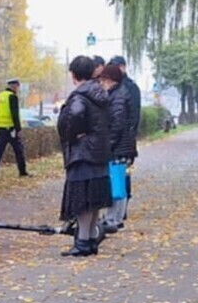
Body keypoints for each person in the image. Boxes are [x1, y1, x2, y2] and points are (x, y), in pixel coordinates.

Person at [57, 56, 112, 257]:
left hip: (83, 152)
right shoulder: (100, 93)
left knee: (82, 200)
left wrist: (71, 135)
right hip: (99, 151)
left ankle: (81, 242)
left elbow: (75, 115)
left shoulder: (79, 95)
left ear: (74, 74)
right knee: (95, 199)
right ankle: (90, 240)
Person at [99, 63, 135, 233]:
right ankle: (115, 218)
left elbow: (117, 123)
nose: (101, 84)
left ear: (110, 80)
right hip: (123, 146)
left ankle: (114, 219)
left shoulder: (118, 96)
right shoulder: (120, 93)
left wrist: (108, 144)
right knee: (118, 181)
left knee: (116, 182)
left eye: (103, 80)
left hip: (119, 147)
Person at [109, 55, 141, 222]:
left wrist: (130, 134)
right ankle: (118, 209)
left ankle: (123, 206)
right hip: (120, 139)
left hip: (125, 140)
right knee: (118, 174)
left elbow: (134, 114)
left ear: (123, 67)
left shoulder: (130, 87)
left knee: (124, 174)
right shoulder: (118, 86)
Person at [0, 78, 29, 178]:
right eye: (17, 87)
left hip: (0, 127)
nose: (18, 89)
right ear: (14, 86)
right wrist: (18, 129)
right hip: (10, 128)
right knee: (18, 149)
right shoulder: (12, 97)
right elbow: (15, 114)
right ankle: (22, 171)